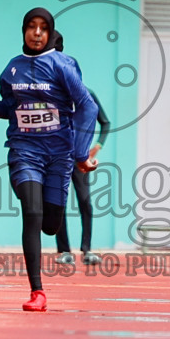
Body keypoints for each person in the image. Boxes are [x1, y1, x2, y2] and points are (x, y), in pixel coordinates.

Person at [0, 8, 98, 312]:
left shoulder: (62, 65)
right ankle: (37, 291)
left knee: (50, 224)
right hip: (24, 150)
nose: (36, 33)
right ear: (23, 31)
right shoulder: (12, 69)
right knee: (31, 211)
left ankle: (52, 224)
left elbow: (87, 107)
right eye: (30, 27)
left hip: (59, 155)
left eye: (42, 28)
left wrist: (81, 153)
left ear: (50, 33)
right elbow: (10, 106)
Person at [55, 87, 110, 266]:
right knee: (58, 202)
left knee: (85, 201)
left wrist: (98, 145)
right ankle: (64, 251)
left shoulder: (87, 94)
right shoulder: (55, 93)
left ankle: (87, 249)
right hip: (59, 157)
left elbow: (105, 123)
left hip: (80, 158)